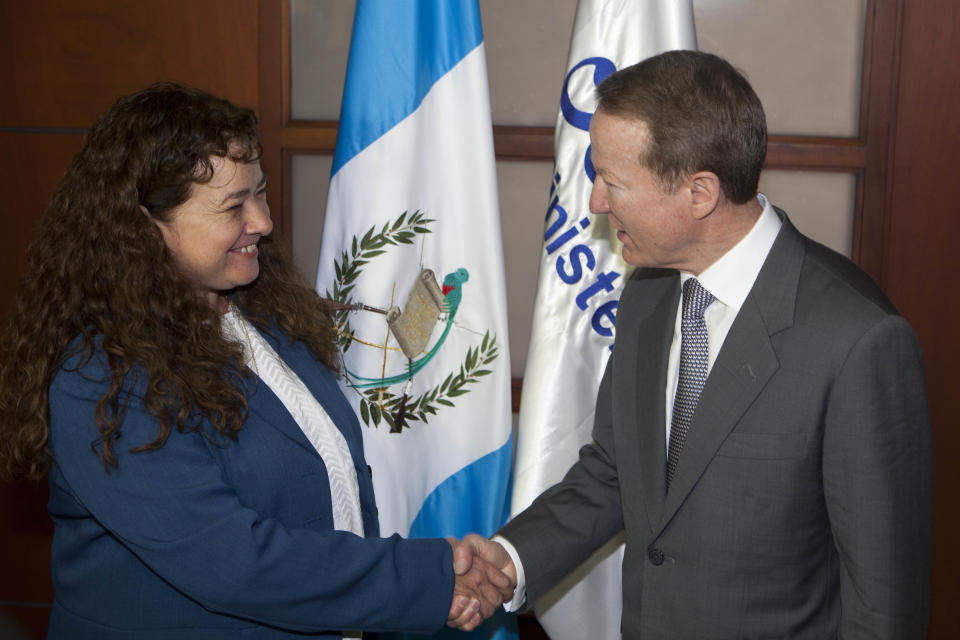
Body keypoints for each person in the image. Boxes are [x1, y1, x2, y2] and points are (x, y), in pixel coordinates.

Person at [0, 83, 510, 639]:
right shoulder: (101, 377)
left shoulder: (268, 315)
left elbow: (333, 492)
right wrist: (432, 579)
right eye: (232, 206)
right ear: (145, 227)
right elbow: (232, 561)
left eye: (260, 194)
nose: (263, 221)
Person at [466, 50, 933, 638]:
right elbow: (616, 472)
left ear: (699, 193)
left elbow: (884, 605)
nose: (596, 202)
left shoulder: (857, 339)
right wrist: (509, 562)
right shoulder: (649, 293)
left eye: (612, 181)